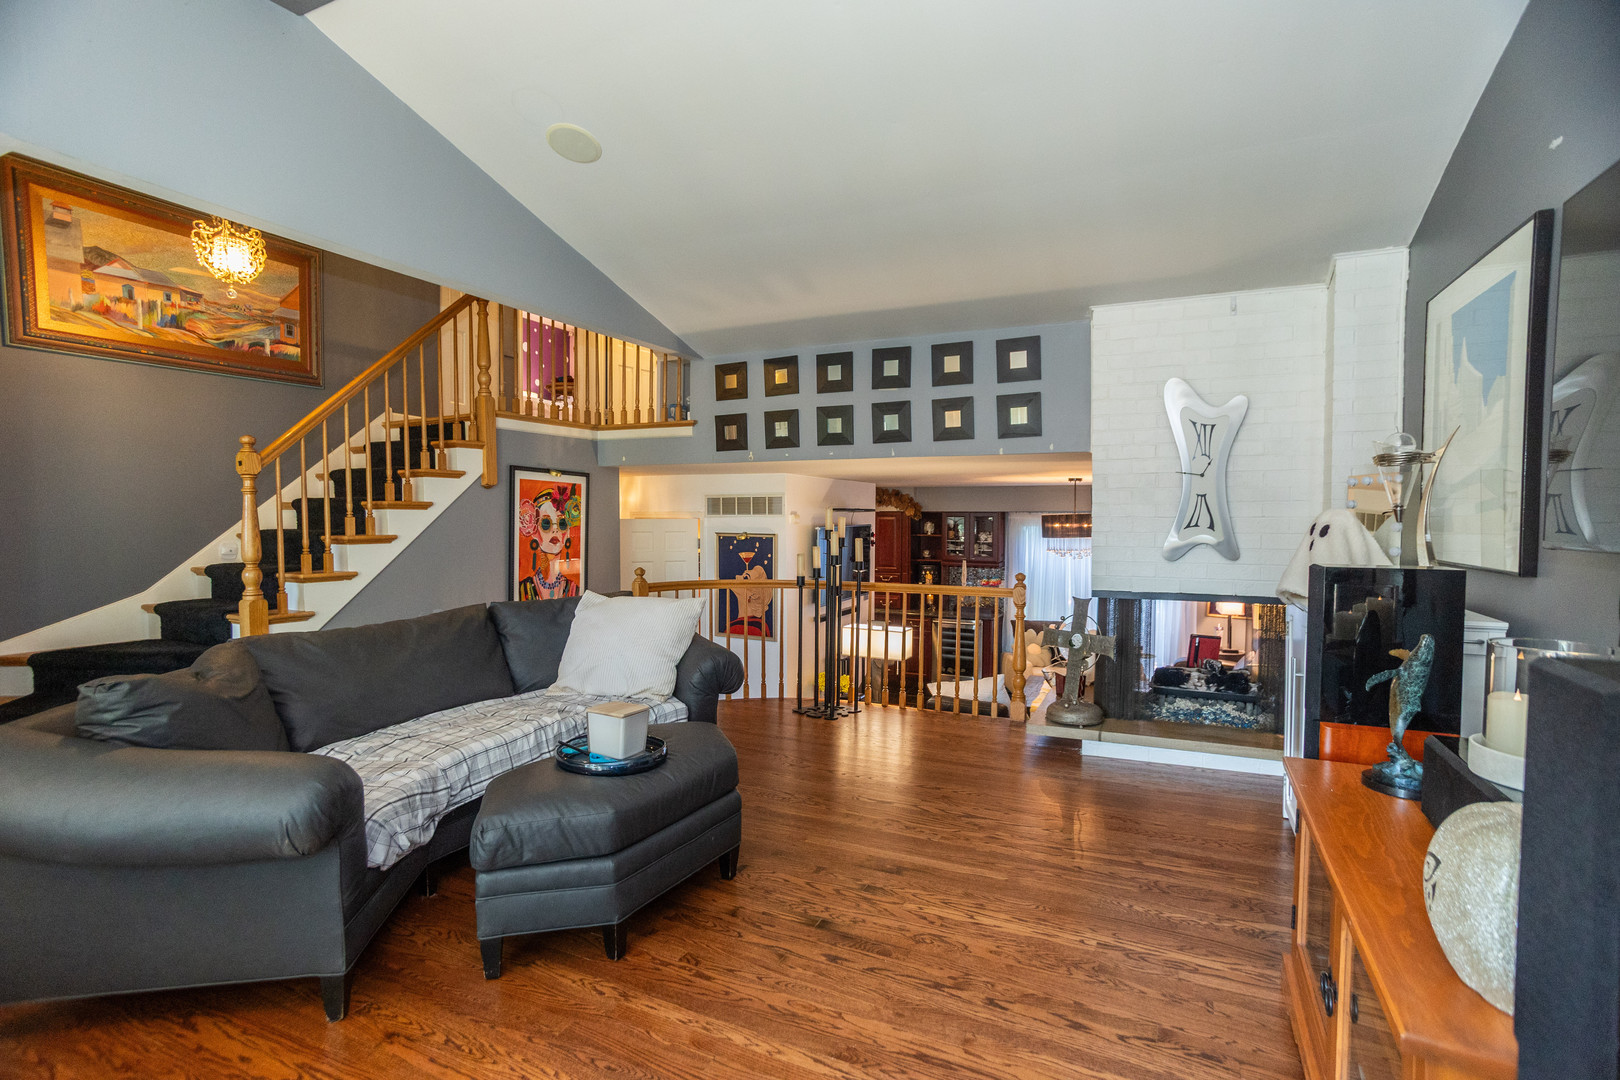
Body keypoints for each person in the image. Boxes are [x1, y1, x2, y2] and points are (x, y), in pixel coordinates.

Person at [516, 485, 581, 599]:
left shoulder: (574, 590)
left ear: (568, 533)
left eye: (562, 524)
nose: (555, 530)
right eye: (546, 523)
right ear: (534, 532)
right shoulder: (523, 590)